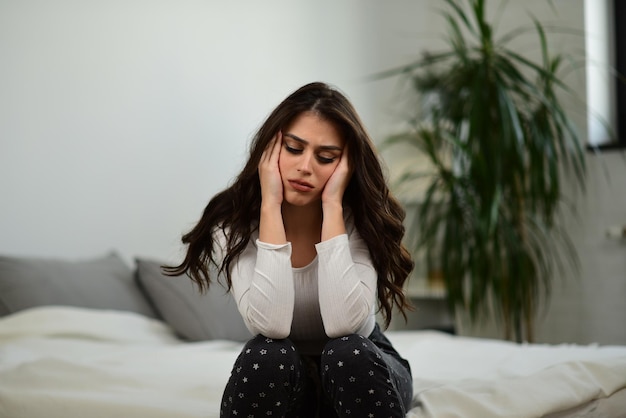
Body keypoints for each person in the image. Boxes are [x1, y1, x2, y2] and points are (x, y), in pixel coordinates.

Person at [164, 81, 414, 417]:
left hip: (361, 369)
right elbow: (272, 326)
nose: (306, 167)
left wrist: (332, 208)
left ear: (347, 166)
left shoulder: (360, 220)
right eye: (294, 149)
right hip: (288, 379)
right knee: (266, 353)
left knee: (346, 352)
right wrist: (270, 205)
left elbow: (345, 326)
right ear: (270, 149)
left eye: (326, 157)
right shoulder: (235, 224)